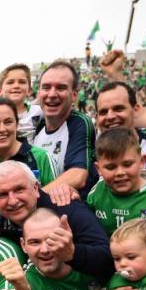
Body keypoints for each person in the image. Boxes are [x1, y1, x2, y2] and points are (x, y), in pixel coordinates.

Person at [0, 160, 114, 279]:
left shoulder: (67, 208)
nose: (12, 201)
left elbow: (109, 259)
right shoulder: (0, 224)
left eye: (19, 189)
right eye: (2, 195)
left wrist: (73, 253)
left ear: (35, 189)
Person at [86, 128, 146, 235]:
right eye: (110, 167)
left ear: (142, 161)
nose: (120, 172)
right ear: (98, 169)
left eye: (127, 164)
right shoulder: (96, 193)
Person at [32, 60, 95, 192]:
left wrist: (35, 198)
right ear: (39, 93)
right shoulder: (37, 128)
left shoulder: (79, 122)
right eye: (46, 87)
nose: (52, 94)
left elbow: (78, 175)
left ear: (74, 95)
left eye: (61, 88)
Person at [0, 97, 58, 189]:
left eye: (8, 122)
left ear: (17, 124)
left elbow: (55, 199)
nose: (2, 129)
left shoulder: (41, 157)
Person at [0, 63, 43, 143]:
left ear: (29, 90)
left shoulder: (40, 112)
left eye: (22, 82)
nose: (16, 86)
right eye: (10, 82)